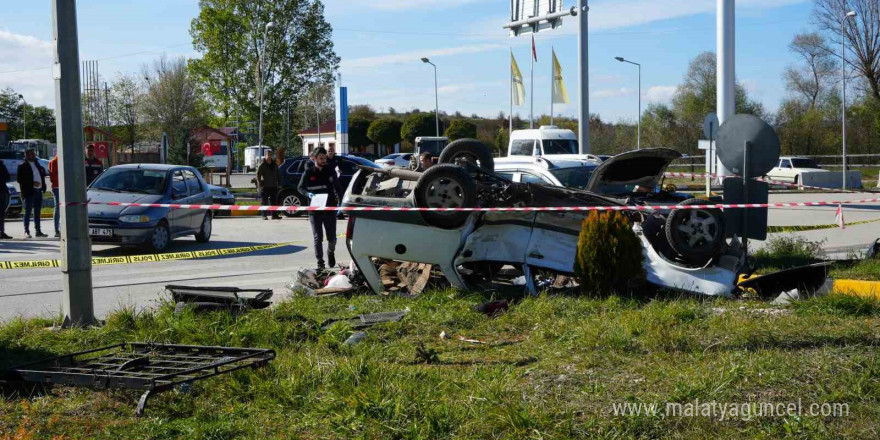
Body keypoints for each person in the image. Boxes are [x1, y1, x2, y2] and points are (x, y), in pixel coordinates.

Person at [298, 146, 343, 270]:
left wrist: (341, 203)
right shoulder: (309, 172)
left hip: (330, 208)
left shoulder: (330, 170)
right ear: (315, 159)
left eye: (325, 158)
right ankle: (320, 261)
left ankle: (330, 252)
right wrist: (308, 194)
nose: (324, 160)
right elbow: (300, 188)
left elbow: (338, 187)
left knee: (332, 238)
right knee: (318, 237)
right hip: (315, 210)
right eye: (321, 158)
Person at [16, 149, 48, 238]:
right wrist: (32, 183)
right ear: (26, 155)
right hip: (29, 192)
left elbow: (42, 175)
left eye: (34, 154)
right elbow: (19, 180)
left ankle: (38, 231)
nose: (33, 155)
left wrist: (43, 186)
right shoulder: (22, 166)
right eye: (31, 154)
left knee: (37, 212)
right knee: (28, 212)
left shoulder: (37, 164)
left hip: (38, 191)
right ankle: (27, 231)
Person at [256, 150, 282, 220]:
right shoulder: (262, 165)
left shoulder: (274, 164)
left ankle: (274, 215)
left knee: (274, 201)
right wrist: (260, 183)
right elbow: (258, 174)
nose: (269, 157)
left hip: (273, 186)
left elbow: (278, 174)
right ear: (265, 156)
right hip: (265, 186)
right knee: (264, 202)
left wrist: (279, 183)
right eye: (268, 155)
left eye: (270, 155)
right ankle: (264, 215)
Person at [48, 154, 61, 237]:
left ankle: (60, 228)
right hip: (57, 187)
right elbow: (53, 177)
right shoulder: (54, 161)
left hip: (64, 187)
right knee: (58, 207)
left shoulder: (65, 160)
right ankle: (56, 229)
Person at [0, 159, 11, 239]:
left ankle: (1, 232)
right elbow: (7, 177)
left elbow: (8, 177)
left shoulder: (2, 165)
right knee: (1, 213)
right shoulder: (2, 165)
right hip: (3, 190)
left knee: (2, 213)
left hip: (3, 191)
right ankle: (1, 232)